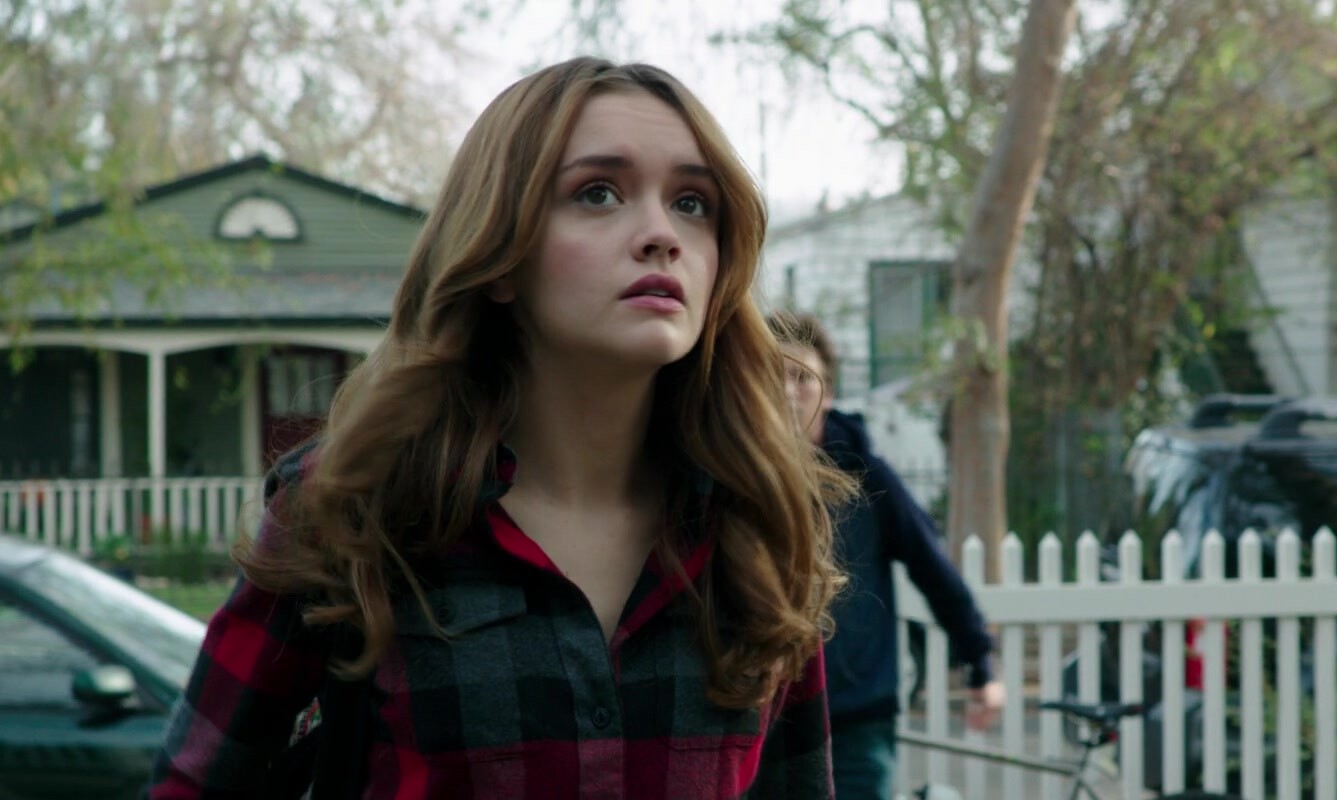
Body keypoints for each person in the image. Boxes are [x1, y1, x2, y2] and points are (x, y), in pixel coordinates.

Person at [147, 59, 854, 799]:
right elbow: (195, 784)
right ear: (499, 256)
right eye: (598, 193)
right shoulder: (354, 508)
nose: (660, 234)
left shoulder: (757, 523)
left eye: (692, 203)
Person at [767, 310, 1005, 800]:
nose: (788, 391)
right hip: (761, 720)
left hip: (855, 719)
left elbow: (932, 568)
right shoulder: (730, 481)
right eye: (773, 375)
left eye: (802, 377)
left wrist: (979, 661)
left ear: (828, 392)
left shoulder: (869, 479)